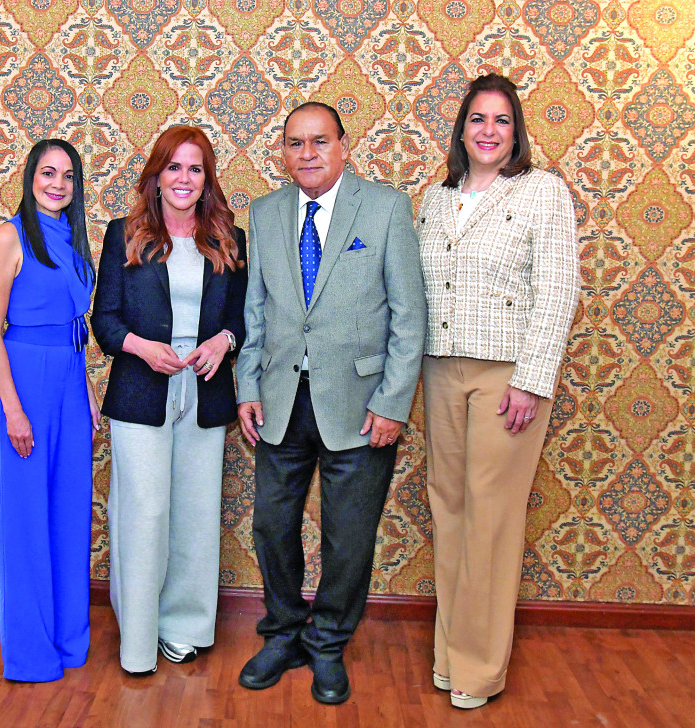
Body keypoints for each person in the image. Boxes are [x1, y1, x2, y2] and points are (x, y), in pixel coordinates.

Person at [235, 102, 426, 704]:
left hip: (362, 404)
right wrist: (246, 387)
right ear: (283, 152)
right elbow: (255, 315)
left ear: (344, 145)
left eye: (320, 141)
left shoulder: (387, 207)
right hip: (280, 402)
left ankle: (328, 642)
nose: (308, 153)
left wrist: (394, 403)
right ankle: (284, 632)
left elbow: (409, 317)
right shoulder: (264, 214)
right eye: (295, 143)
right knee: (272, 527)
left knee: (349, 536)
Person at [417, 73, 580, 709]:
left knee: (491, 518)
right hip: (440, 368)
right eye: (478, 119)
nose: (489, 131)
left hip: (507, 376)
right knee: (449, 508)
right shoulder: (437, 197)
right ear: (462, 129)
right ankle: (449, 654)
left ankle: (479, 670)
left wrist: (531, 382)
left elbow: (559, 291)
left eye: (502, 120)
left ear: (517, 131)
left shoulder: (542, 193)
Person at [91, 125, 247, 674]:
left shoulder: (229, 238)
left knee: (195, 513)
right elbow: (104, 322)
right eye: (174, 167)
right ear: (156, 176)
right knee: (145, 512)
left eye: (195, 168)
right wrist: (142, 348)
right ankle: (138, 638)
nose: (184, 178)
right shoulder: (124, 234)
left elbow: (239, 321)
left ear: (207, 180)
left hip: (203, 392)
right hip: (141, 388)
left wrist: (222, 343)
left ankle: (183, 627)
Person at [0, 139, 99, 682]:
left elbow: (78, 325)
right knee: (28, 520)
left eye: (68, 176)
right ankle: (30, 655)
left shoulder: (75, 242)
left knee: (70, 515)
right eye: (48, 173)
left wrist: (87, 387)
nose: (58, 183)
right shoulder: (10, 236)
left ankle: (69, 642)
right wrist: (12, 409)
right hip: (25, 381)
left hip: (71, 382)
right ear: (30, 177)